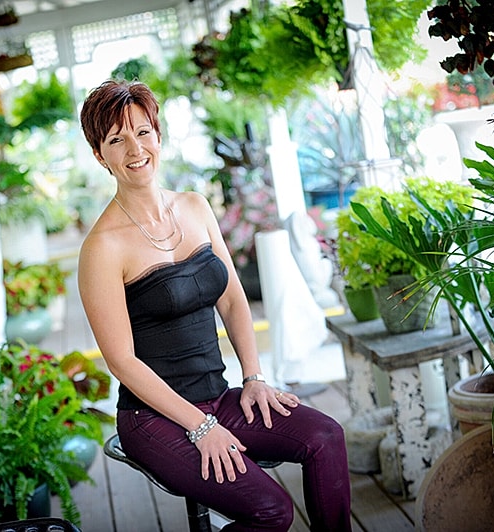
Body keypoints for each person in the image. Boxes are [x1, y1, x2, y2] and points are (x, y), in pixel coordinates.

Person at [78, 79, 351, 531]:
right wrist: (199, 427)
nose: (134, 149)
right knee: (272, 511)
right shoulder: (101, 248)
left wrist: (254, 377)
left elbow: (231, 296)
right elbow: (122, 362)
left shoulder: (195, 206)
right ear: (99, 155)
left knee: (326, 436)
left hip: (220, 396)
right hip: (155, 418)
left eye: (142, 132)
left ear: (158, 136)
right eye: (116, 140)